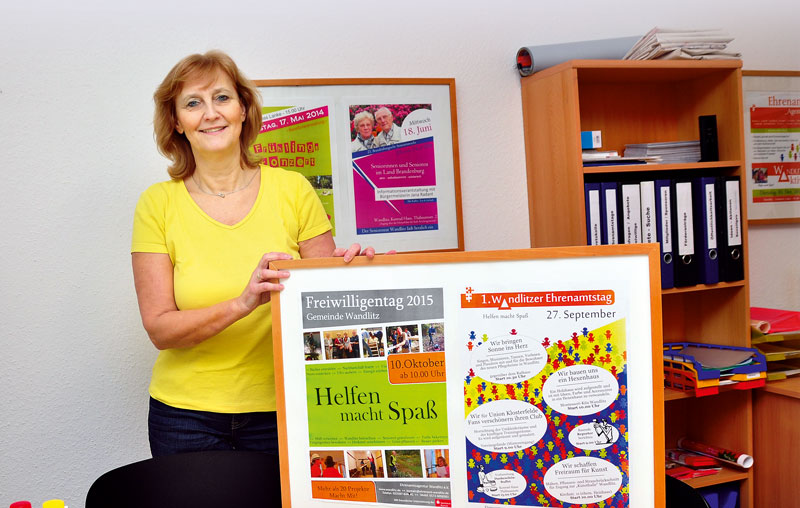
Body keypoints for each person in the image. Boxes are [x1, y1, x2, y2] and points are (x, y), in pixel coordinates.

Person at [132, 50, 382, 457]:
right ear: (176, 121)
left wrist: (360, 274)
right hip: (185, 417)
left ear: (243, 109)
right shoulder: (156, 204)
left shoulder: (293, 189)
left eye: (222, 98)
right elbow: (160, 329)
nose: (211, 113)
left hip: (285, 407)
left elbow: (328, 307)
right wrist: (243, 303)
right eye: (193, 103)